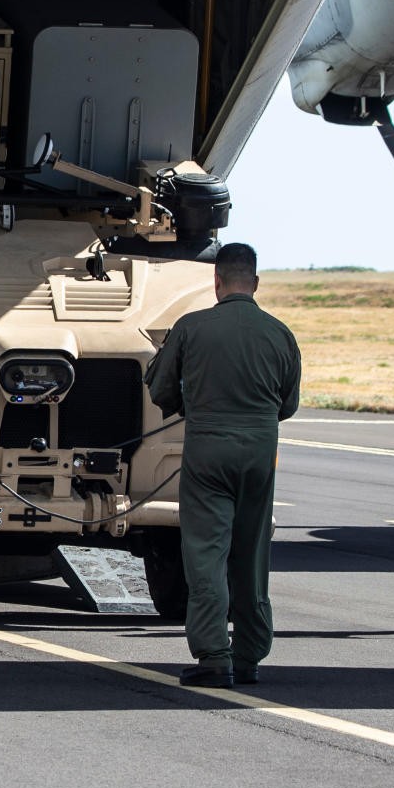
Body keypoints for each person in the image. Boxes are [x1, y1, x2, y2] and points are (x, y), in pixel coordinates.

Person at [146, 241, 302, 687]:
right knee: (252, 553)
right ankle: (250, 654)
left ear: (216, 282)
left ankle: (214, 654)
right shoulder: (280, 333)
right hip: (258, 451)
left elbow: (161, 390)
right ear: (254, 283)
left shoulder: (192, 327)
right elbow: (287, 404)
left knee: (205, 553)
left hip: (208, 450)